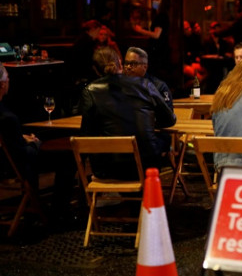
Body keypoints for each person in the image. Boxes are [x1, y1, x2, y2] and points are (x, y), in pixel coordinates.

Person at [79, 47, 176, 179]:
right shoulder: (145, 84)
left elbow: (87, 132)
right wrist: (148, 122)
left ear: (95, 69)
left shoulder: (90, 90)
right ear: (120, 62)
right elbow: (169, 120)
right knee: (159, 142)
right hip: (147, 165)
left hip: (108, 168)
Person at [0, 63, 76, 222]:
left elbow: (11, 141)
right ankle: (59, 210)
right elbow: (24, 154)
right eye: (8, 77)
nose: (9, 81)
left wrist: (22, 138)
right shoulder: (8, 118)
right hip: (13, 165)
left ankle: (40, 207)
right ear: (2, 84)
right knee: (67, 158)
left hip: (6, 160)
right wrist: (35, 142)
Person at [132, 0, 171, 78]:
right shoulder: (160, 15)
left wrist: (141, 30)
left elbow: (156, 35)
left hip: (159, 52)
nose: (154, 1)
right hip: (159, 51)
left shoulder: (161, 16)